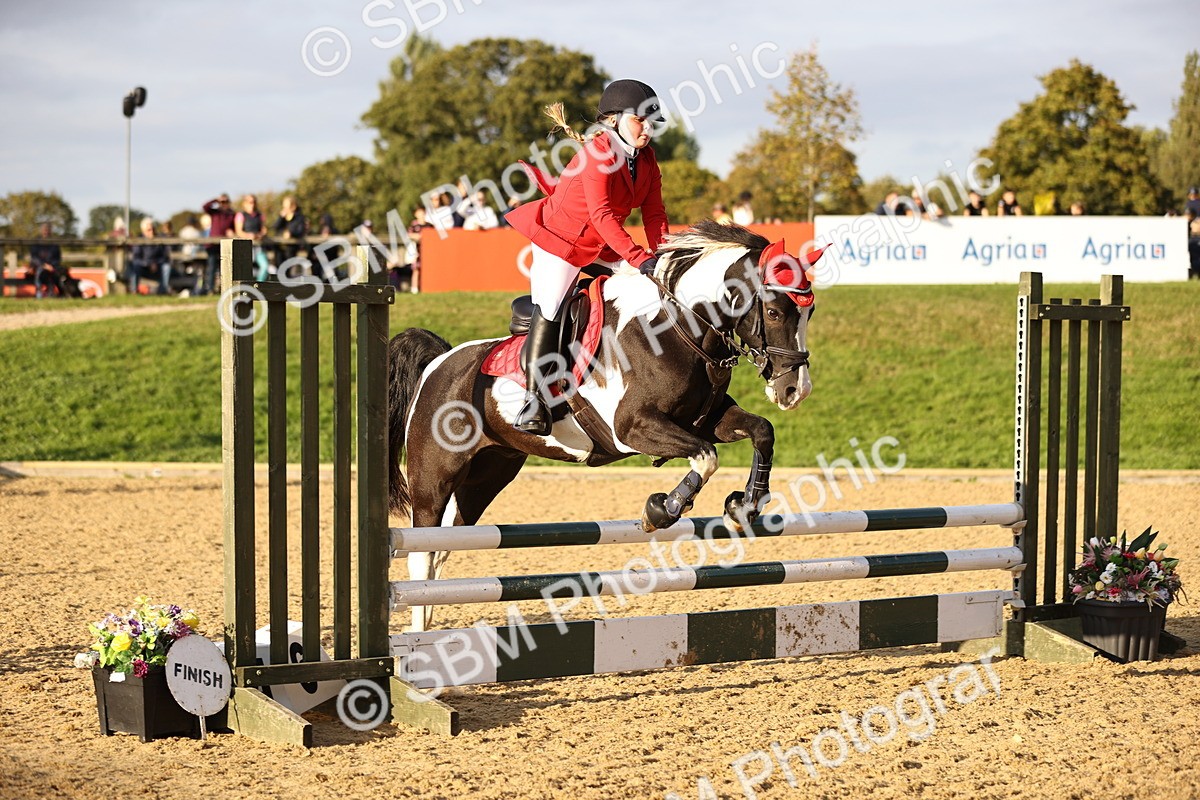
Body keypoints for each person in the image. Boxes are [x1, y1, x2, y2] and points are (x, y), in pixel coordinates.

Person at [505, 78, 670, 435]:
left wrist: (663, 256)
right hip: (560, 241)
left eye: (651, 121)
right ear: (613, 121)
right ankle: (533, 401)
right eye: (640, 120)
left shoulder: (647, 160)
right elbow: (601, 215)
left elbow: (655, 215)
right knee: (549, 308)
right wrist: (640, 258)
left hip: (601, 245)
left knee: (646, 289)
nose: (648, 128)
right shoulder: (597, 153)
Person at [200, 194, 237, 295]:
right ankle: (210, 289)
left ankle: (224, 289)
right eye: (222, 202)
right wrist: (215, 200)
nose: (224, 204)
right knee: (212, 267)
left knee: (225, 268)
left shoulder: (231, 214)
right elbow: (205, 206)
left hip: (225, 245)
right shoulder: (215, 213)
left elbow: (234, 228)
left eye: (225, 202)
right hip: (212, 244)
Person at [130, 218, 172, 295]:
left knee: (166, 267)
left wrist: (156, 263)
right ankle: (134, 291)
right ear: (143, 230)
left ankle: (163, 291)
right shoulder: (139, 240)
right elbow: (136, 257)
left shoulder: (160, 239)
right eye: (149, 230)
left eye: (153, 229)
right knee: (136, 266)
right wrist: (148, 263)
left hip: (158, 266)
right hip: (144, 267)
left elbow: (165, 256)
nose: (152, 232)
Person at [235, 194, 270, 281]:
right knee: (246, 269)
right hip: (245, 247)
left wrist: (261, 234)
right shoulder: (240, 215)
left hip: (258, 247)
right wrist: (249, 236)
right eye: (250, 202)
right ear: (245, 203)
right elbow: (239, 231)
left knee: (265, 266)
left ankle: (258, 286)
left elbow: (264, 229)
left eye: (254, 202)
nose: (252, 204)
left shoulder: (260, 215)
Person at [272, 196, 308, 279]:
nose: (285, 209)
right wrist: (281, 217)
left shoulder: (299, 217)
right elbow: (275, 227)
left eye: (287, 207)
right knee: (279, 270)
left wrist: (291, 233)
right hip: (280, 248)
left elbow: (300, 231)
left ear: (293, 206)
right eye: (284, 207)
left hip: (291, 248)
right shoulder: (282, 217)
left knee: (287, 270)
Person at [29, 222, 64, 298]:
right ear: (41, 231)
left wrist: (51, 265)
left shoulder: (54, 243)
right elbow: (34, 257)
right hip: (39, 266)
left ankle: (55, 294)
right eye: (44, 230)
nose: (46, 232)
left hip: (52, 267)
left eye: (48, 230)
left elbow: (58, 258)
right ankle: (39, 296)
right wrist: (44, 265)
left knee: (58, 275)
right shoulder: (36, 242)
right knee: (39, 273)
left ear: (50, 231)